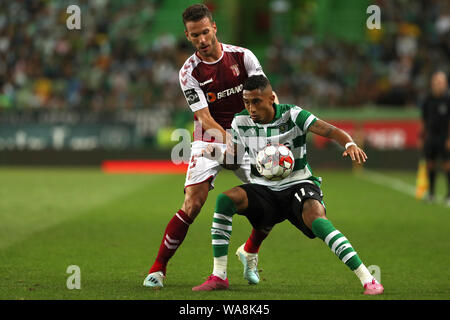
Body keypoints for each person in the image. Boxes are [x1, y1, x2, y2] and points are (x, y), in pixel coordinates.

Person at [192, 75, 384, 295]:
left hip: (298, 183)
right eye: (246, 102)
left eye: (256, 102)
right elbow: (234, 161)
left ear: (271, 98)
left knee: (317, 220)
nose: (251, 108)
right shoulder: (240, 121)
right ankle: (219, 276)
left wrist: (349, 143)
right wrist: (218, 155)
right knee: (225, 200)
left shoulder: (293, 114)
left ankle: (368, 279)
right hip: (263, 188)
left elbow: (329, 130)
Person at [143, 4, 278, 288]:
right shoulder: (188, 72)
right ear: (187, 36)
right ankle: (158, 268)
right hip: (210, 138)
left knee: (272, 202)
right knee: (193, 204)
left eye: (205, 32)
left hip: (248, 133)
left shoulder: (243, 57)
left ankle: (249, 250)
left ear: (214, 28)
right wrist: (231, 142)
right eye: (195, 36)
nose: (202, 40)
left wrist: (269, 133)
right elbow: (204, 117)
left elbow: (268, 96)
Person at [418, 71, 450, 204]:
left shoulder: (448, 100)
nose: (439, 85)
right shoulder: (427, 100)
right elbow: (424, 120)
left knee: (447, 165)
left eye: (441, 82)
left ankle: (449, 195)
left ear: (446, 84)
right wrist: (421, 136)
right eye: (436, 82)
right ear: (432, 84)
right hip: (431, 136)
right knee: (430, 164)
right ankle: (431, 193)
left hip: (445, 137)